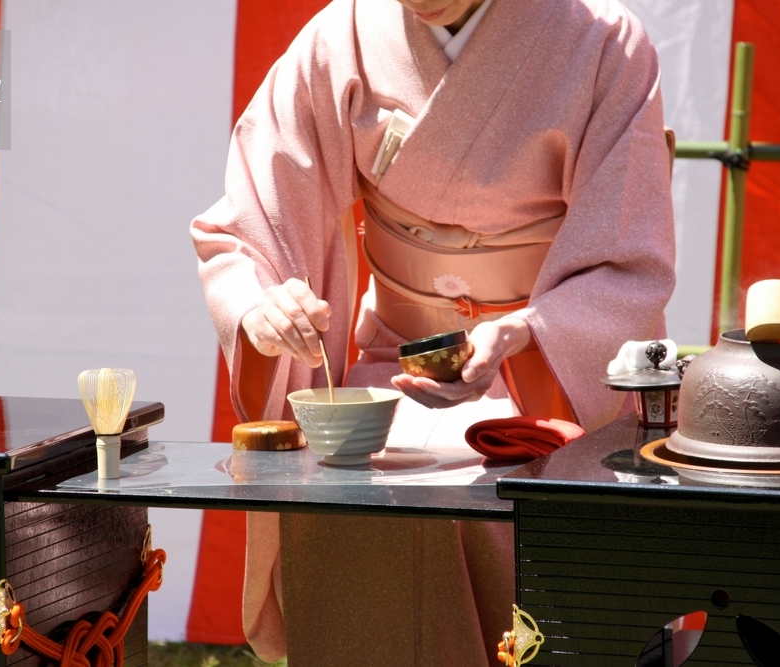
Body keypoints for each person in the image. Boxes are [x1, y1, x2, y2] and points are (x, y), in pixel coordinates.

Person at [192, 0, 675, 663]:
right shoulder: (344, 36)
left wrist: (524, 333)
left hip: (545, 377)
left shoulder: (604, 44)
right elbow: (251, 221)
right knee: (337, 484)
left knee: (497, 485)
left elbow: (626, 262)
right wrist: (262, 308)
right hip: (393, 370)